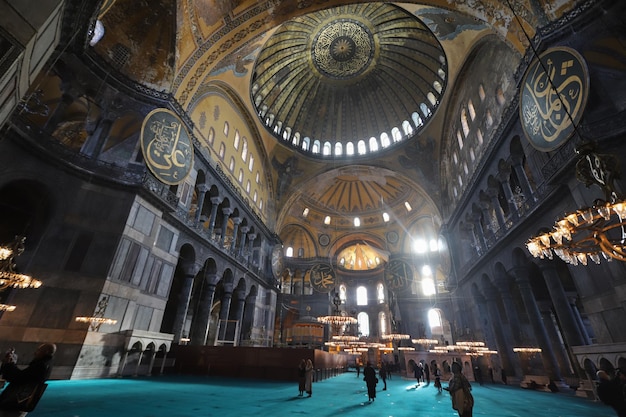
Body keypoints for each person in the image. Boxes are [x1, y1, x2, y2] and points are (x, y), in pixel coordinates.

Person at [0, 343, 56, 417]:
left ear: (46, 352)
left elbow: (19, 378)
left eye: (39, 350)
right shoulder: (45, 364)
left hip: (17, 399)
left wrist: (10, 364)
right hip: (23, 399)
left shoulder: (40, 365)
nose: (35, 353)